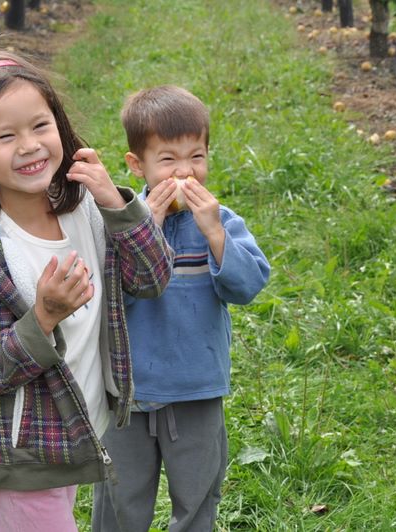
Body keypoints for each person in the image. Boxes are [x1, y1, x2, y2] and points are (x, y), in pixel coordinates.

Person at [0, 50, 173, 531]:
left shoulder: (85, 211)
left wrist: (117, 204)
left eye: (40, 126)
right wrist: (43, 317)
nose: (30, 145)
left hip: (68, 435)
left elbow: (152, 278)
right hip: (22, 457)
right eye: (6, 136)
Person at [92, 85, 270, 531]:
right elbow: (107, 300)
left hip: (196, 390)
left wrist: (216, 235)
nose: (186, 171)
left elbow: (247, 287)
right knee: (119, 502)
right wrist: (143, 234)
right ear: (138, 165)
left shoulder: (220, 220)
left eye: (197, 157)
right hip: (128, 394)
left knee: (197, 499)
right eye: (169, 159)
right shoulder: (120, 227)